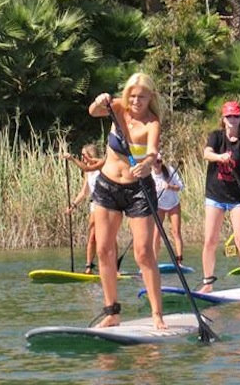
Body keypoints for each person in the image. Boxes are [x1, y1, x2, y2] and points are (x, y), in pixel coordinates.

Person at [88, 73, 165, 329]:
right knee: (103, 249)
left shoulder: (152, 123)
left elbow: (153, 151)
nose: (136, 101)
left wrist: (147, 164)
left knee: (143, 252)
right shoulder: (117, 108)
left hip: (139, 191)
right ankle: (112, 311)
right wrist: (101, 101)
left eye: (141, 96)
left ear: (150, 97)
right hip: (107, 187)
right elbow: (93, 112)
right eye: (132, 95)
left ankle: (157, 315)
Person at [201, 100, 240, 295]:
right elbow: (207, 154)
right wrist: (219, 157)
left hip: (237, 197)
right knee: (210, 239)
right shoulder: (216, 137)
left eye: (236, 116)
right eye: (229, 117)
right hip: (215, 194)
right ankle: (208, 281)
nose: (232, 120)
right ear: (223, 119)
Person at [67, 144, 105, 274]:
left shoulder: (102, 167)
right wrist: (73, 205)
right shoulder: (88, 172)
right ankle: (89, 266)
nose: (82, 157)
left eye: (84, 155)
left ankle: (112, 267)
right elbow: (84, 192)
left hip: (106, 205)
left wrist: (72, 159)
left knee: (105, 236)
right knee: (92, 236)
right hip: (94, 204)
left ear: (90, 155)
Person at [152, 156, 185, 265]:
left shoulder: (170, 170)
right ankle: (153, 262)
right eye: (156, 162)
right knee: (157, 233)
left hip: (173, 204)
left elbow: (181, 186)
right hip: (159, 205)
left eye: (160, 161)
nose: (158, 164)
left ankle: (179, 261)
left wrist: (170, 187)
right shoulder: (149, 175)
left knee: (175, 232)